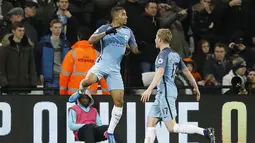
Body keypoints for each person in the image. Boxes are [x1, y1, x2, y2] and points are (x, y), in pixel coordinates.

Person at [69, 6, 141, 143]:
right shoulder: (104, 28)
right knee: (88, 81)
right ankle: (80, 91)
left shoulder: (128, 31)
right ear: (116, 17)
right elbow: (90, 40)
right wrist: (107, 33)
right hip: (102, 64)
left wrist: (140, 49)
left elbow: (134, 49)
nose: (126, 17)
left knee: (119, 101)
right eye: (123, 14)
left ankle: (110, 132)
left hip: (115, 69)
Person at [140, 28, 216, 143]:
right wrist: (196, 87)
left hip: (166, 93)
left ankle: (205, 132)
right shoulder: (174, 54)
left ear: (160, 40)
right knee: (150, 122)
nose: (155, 40)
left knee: (172, 127)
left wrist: (149, 89)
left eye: (156, 38)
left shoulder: (163, 54)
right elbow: (186, 72)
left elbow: (160, 72)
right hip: (163, 93)